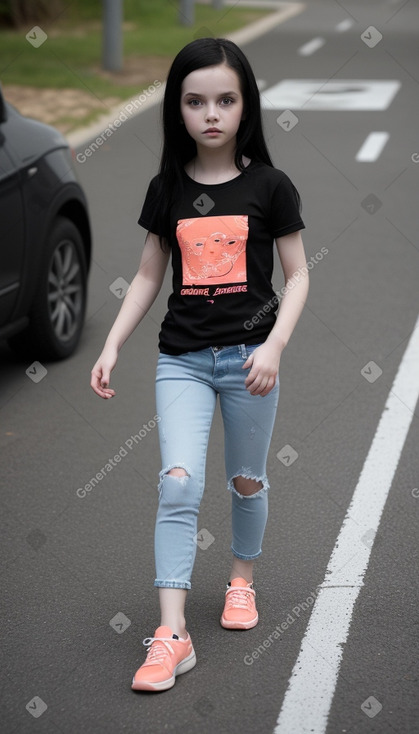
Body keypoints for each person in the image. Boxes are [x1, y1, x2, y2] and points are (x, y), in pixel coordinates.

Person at [91, 37, 309, 692]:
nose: (209, 114)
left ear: (245, 106)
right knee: (178, 483)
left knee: (245, 480)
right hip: (181, 361)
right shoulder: (167, 189)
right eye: (194, 101)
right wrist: (112, 345)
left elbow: (297, 278)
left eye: (224, 100)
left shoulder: (270, 186)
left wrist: (273, 347)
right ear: (176, 109)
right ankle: (171, 635)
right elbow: (146, 276)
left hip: (249, 361)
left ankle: (241, 580)